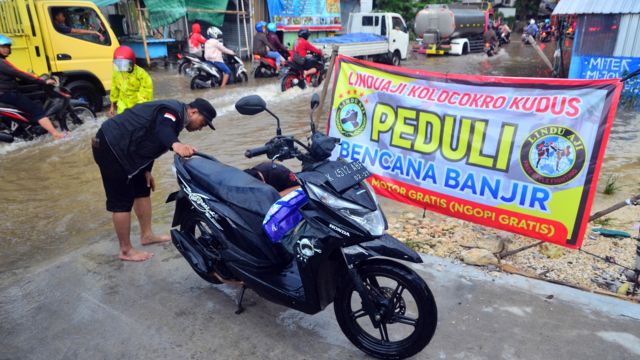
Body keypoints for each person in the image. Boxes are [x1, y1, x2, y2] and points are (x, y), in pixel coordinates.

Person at [92, 98, 217, 261]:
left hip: (128, 148)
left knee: (142, 187)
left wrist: (146, 171)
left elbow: (149, 138)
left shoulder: (176, 117)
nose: (202, 128)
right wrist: (176, 145)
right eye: (203, 122)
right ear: (193, 112)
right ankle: (125, 250)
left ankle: (147, 235)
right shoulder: (172, 113)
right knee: (121, 200)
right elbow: (163, 130)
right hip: (109, 145)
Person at [0, 34, 65, 140]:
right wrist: (42, 81)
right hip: (7, 93)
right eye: (3, 47)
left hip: (5, 93)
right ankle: (56, 134)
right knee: (37, 110)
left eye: (7, 47)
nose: (6, 49)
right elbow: (19, 73)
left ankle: (28, 130)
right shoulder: (2, 63)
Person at [109, 46, 153, 116]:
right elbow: (115, 89)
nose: (121, 67)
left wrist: (137, 111)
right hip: (122, 107)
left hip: (137, 108)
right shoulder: (117, 73)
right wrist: (112, 106)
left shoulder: (142, 75)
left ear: (132, 62)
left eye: (124, 64)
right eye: (118, 64)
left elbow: (146, 96)